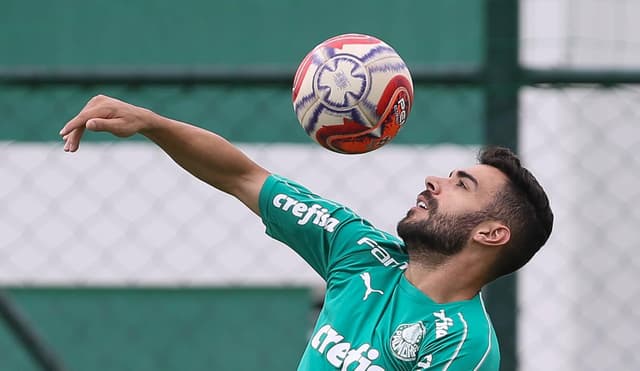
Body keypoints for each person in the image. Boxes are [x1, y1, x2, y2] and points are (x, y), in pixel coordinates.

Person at [60, 95, 553, 371]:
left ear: (491, 233)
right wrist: (152, 123)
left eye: (461, 184)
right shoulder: (357, 250)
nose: (434, 181)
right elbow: (242, 176)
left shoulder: (463, 347)